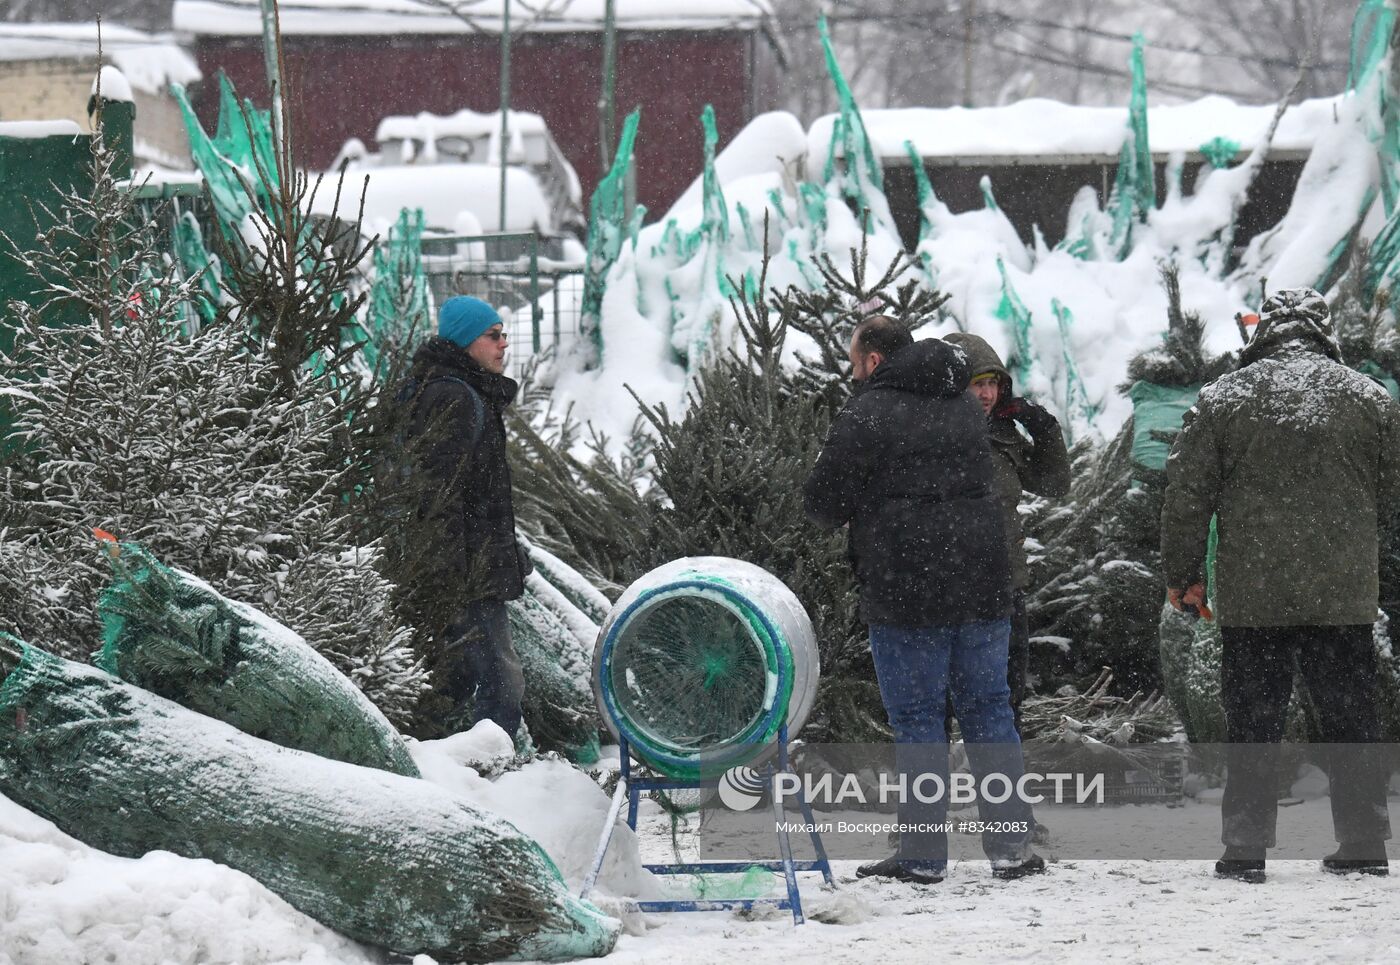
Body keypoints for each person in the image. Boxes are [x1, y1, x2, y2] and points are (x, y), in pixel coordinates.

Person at [1161, 288, 1400, 882]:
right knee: (1350, 719)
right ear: (1324, 329)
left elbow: (1186, 497)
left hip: (1254, 597)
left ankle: (1245, 849)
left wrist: (1183, 576)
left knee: (1253, 721)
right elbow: (1395, 499)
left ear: (1262, 331)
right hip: (1342, 596)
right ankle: (1365, 842)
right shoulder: (1371, 399)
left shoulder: (1223, 399)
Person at [803, 315, 1043, 884]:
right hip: (984, 582)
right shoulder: (962, 406)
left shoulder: (866, 412)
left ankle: (923, 855)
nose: (853, 371)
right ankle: (1012, 848)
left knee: (918, 719)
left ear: (875, 361)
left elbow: (822, 504)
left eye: (854, 360)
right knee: (989, 710)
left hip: (906, 586)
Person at [400, 295, 529, 741]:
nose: (503, 344)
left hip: (470, 563)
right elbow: (439, 494)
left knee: (463, 678)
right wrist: (456, 574)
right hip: (464, 570)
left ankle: (469, 768)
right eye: (493, 335)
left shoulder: (464, 392)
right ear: (464, 340)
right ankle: (491, 773)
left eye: (504, 334)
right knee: (501, 681)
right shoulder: (452, 397)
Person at [943, 333, 1071, 734]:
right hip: (947, 587)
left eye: (992, 383)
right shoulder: (932, 439)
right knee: (939, 701)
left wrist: (1042, 425)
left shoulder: (1004, 436)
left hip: (1005, 585)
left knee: (1005, 696)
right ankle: (935, 787)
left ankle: (1000, 787)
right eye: (975, 382)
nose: (985, 393)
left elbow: (1054, 483)